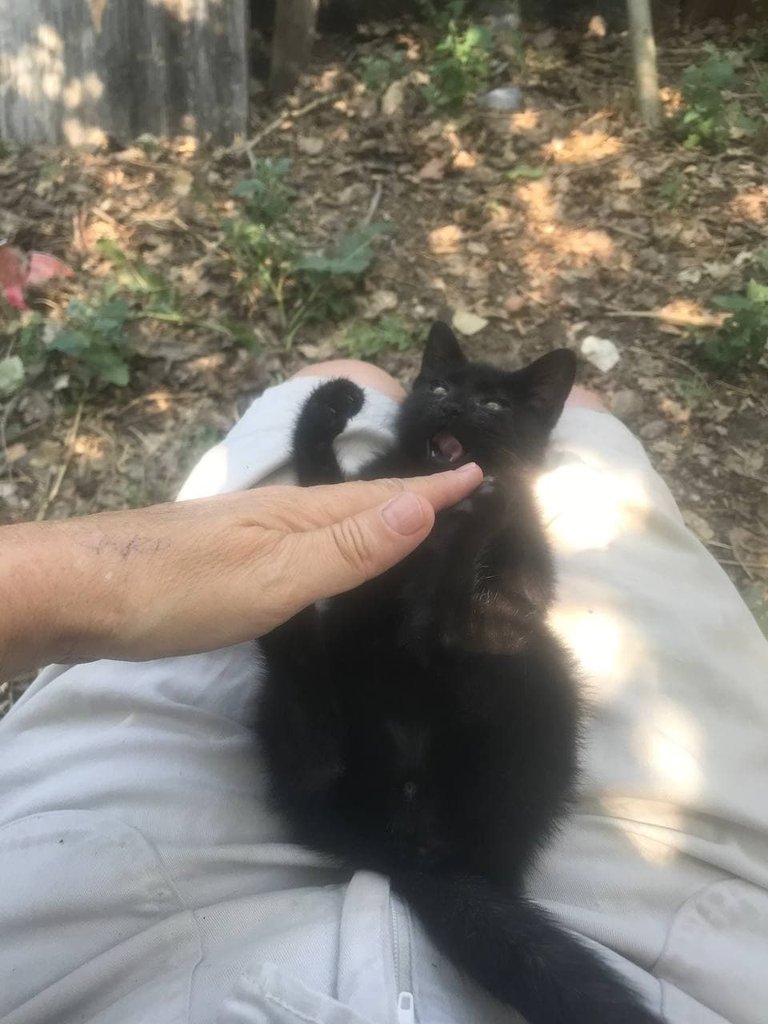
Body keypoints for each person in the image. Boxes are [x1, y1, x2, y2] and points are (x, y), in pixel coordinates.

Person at [0, 358, 766, 1024]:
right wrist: (316, 453)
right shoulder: (442, 480)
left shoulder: (506, 508)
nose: (452, 400)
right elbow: (333, 540)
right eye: (438, 383)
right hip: (356, 782)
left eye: (494, 403)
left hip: (445, 805)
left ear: (531, 425)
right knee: (580, 446)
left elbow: (490, 618)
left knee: (474, 642)